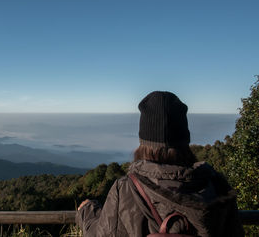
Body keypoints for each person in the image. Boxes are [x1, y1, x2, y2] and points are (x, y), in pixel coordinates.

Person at [76, 91, 244, 237]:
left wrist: (87, 211)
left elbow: (102, 233)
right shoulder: (218, 187)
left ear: (143, 141)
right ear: (184, 139)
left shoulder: (126, 190)